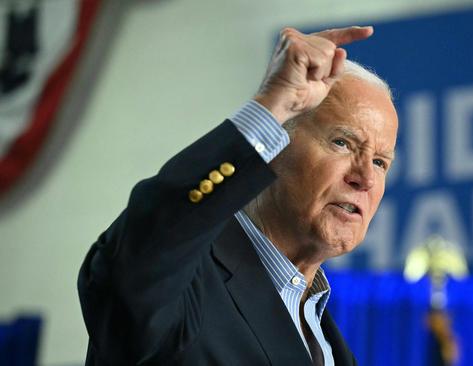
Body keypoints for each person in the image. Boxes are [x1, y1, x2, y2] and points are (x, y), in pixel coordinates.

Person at [78, 25, 398, 366]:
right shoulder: (187, 282)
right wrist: (268, 109)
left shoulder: (331, 344)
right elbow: (137, 254)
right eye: (342, 143)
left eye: (380, 162)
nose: (365, 178)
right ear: (273, 146)